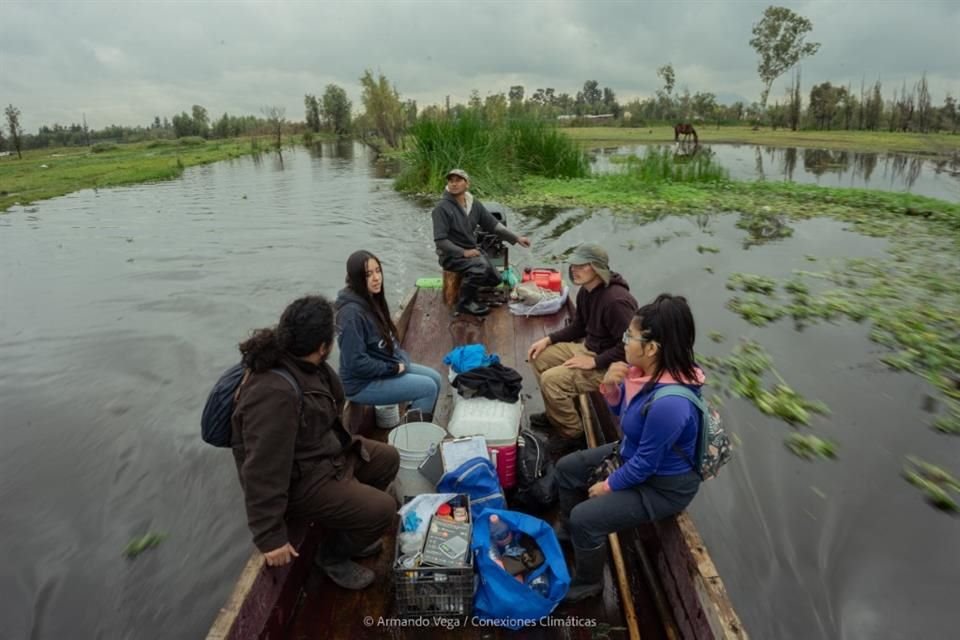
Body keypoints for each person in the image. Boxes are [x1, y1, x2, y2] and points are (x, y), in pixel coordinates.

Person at [231, 295, 400, 590]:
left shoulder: (305, 362)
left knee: (387, 458)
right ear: (323, 346)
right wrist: (270, 537)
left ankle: (350, 528)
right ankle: (332, 556)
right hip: (302, 480)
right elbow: (261, 470)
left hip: (326, 453)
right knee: (384, 510)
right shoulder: (275, 394)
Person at [554, 294, 705, 602]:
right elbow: (628, 418)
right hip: (633, 453)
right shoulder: (644, 374)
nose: (623, 341)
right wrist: (610, 388)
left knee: (587, 517)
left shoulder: (670, 403)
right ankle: (571, 533)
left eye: (629, 336)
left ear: (651, 348)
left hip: (663, 485)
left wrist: (608, 486)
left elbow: (646, 465)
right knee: (566, 469)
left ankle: (588, 582)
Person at [526, 243, 637, 453]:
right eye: (573, 265)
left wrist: (594, 362)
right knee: (538, 357)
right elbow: (579, 326)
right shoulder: (586, 291)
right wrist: (548, 340)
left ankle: (572, 433)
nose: (574, 269)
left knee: (552, 380)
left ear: (597, 268)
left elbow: (630, 348)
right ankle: (555, 414)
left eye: (581, 265)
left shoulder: (616, 302)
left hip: (611, 365)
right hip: (590, 350)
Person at [335, 250, 443, 421]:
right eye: (368, 274)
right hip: (362, 383)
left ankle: (413, 418)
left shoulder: (371, 299)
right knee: (428, 388)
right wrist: (392, 368)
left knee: (436, 379)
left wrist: (399, 361)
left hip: (385, 365)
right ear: (356, 278)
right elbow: (355, 363)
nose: (376, 278)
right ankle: (412, 442)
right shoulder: (350, 315)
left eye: (378, 271)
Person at [432, 168, 531, 316]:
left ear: (467, 184)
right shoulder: (441, 208)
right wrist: (463, 253)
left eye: (458, 180)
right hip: (450, 256)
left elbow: (493, 225)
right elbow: (441, 241)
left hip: (471, 250)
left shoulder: (474, 204)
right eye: (451, 181)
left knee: (495, 278)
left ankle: (469, 289)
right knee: (480, 268)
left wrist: (516, 238)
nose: (454, 184)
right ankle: (464, 303)